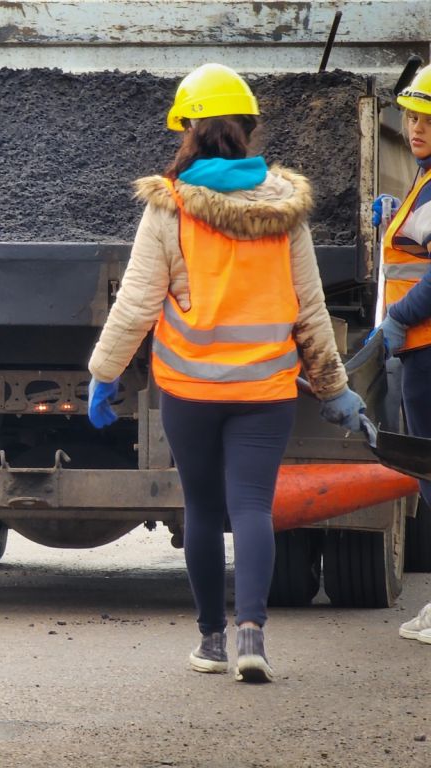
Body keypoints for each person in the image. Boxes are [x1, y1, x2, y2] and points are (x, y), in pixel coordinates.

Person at [86, 63, 364, 683]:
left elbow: (136, 302)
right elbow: (310, 310)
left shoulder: (171, 207)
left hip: (189, 388)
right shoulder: (285, 210)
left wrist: (105, 372)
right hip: (265, 390)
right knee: (253, 508)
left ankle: (210, 640)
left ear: (188, 130)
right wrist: (335, 390)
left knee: (204, 509)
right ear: (247, 129)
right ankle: (252, 636)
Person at [370, 65, 431, 645]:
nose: (415, 126)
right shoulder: (425, 178)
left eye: (427, 118)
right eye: (412, 115)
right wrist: (398, 213)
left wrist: (397, 318)